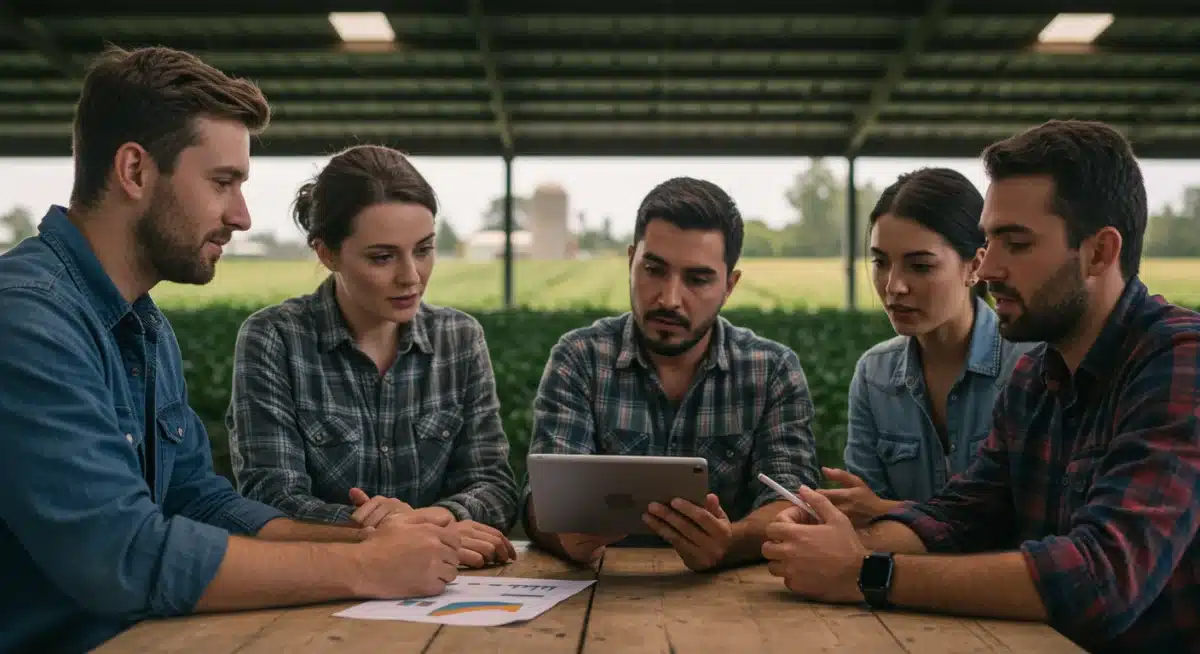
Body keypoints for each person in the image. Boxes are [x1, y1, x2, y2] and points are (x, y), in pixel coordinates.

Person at [0, 46, 462, 654]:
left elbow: (198, 498)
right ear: (135, 171)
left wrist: (370, 540)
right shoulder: (27, 318)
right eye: (223, 182)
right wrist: (367, 569)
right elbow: (121, 555)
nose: (242, 217)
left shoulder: (143, 326)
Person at [761, 120, 1200, 653]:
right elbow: (962, 514)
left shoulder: (1179, 361)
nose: (987, 267)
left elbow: (1102, 577)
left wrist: (866, 571)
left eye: (1015, 243)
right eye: (989, 240)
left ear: (1100, 254)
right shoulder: (1035, 376)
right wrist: (838, 544)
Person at [226, 144, 519, 568]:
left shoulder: (460, 338)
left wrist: (428, 520)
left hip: (444, 581)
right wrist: (393, 533)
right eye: (382, 257)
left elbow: (494, 486)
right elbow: (272, 499)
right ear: (327, 253)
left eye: (423, 250)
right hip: (324, 584)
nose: (411, 276)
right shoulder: (274, 338)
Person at [522, 176, 821, 571]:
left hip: (732, 602)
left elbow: (792, 497)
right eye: (654, 270)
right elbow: (542, 498)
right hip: (600, 591)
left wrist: (731, 542)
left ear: (730, 286)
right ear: (631, 261)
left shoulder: (772, 370)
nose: (669, 298)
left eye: (697, 279)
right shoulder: (580, 358)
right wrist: (564, 536)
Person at [822, 168, 1037, 526]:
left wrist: (889, 511)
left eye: (920, 266)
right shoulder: (874, 374)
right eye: (880, 262)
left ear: (975, 267)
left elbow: (1027, 520)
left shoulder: (1030, 365)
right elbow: (863, 513)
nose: (893, 286)